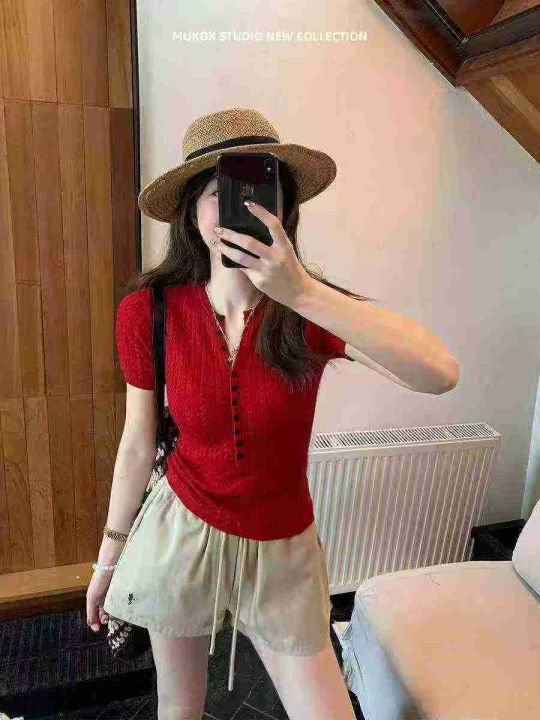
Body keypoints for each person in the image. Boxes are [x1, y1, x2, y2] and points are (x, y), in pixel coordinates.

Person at [86, 107, 459, 720]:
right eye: (219, 192)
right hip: (181, 528)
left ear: (284, 209)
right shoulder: (149, 312)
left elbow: (440, 373)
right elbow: (136, 443)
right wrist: (108, 557)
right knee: (179, 708)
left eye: (261, 189)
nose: (243, 206)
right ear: (192, 213)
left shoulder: (310, 311)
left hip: (283, 545)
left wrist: (304, 292)